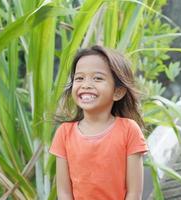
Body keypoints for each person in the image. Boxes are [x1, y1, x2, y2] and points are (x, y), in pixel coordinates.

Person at [49, 45, 148, 200]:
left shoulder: (129, 130)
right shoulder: (64, 133)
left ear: (118, 92)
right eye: (79, 78)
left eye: (97, 78)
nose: (86, 84)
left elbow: (134, 193)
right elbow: (64, 193)